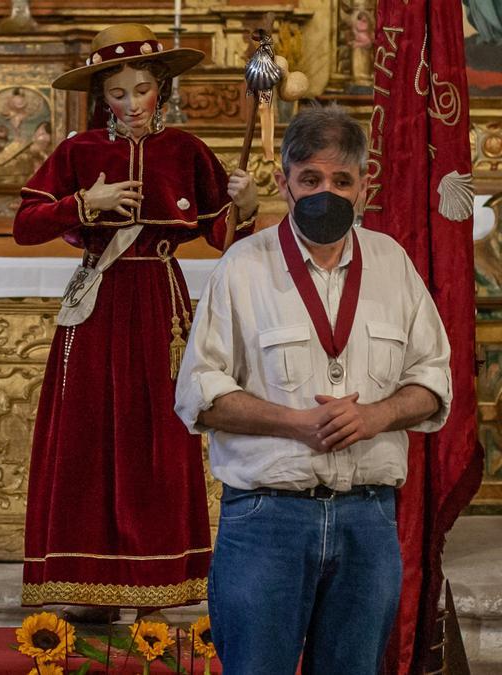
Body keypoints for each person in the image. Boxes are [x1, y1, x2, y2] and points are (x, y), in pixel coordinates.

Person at [174, 105, 451, 673]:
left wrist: (375, 416)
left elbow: (433, 378)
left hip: (368, 519)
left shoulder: (393, 263)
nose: (327, 192)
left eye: (342, 181)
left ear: (364, 185)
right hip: (266, 520)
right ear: (285, 183)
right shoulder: (243, 266)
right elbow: (200, 391)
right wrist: (295, 422)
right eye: (311, 180)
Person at [14, 23, 259, 612]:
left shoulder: (186, 151)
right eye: (117, 93)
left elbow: (224, 236)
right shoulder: (78, 152)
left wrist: (247, 203)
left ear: (161, 91)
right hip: (97, 303)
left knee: (158, 433)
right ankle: (86, 584)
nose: (130, 104)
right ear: (103, 97)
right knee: (89, 434)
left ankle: (156, 583)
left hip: (160, 307)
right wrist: (82, 204)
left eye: (141, 90)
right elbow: (25, 226)